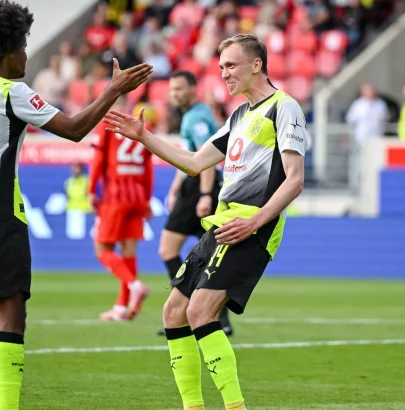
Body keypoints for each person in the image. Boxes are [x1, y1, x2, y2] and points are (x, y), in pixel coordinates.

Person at [0, 0, 151, 410]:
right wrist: (114, 89)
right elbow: (73, 129)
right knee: (10, 317)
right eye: (22, 46)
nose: (26, 55)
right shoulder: (9, 91)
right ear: (6, 49)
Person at [104, 34, 308, 410]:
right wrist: (144, 136)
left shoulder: (284, 107)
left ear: (256, 64)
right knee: (172, 312)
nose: (223, 73)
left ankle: (234, 406)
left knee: (199, 310)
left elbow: (295, 179)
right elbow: (196, 162)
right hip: (222, 223)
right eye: (220, 67)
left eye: (230, 65)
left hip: (252, 224)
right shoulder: (239, 116)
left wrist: (258, 220)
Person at [156, 70, 232, 338]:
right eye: (172, 90)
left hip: (200, 187)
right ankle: (217, 316)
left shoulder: (197, 117)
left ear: (193, 89)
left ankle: (181, 309)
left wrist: (204, 195)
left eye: (179, 89)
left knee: (168, 249)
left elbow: (204, 161)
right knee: (211, 255)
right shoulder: (192, 116)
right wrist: (175, 189)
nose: (175, 94)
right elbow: (188, 161)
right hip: (194, 187)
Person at [88, 98, 155, 322]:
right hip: (137, 196)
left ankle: (134, 286)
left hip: (116, 196)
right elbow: (147, 167)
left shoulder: (107, 122)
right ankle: (121, 309)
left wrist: (91, 190)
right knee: (128, 252)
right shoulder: (139, 124)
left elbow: (98, 158)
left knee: (102, 249)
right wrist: (146, 200)